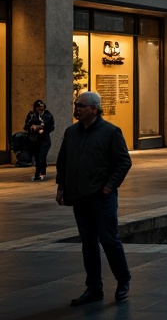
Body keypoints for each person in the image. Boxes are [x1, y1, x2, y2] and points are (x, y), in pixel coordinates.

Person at [55, 91, 132, 305]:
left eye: (81, 106)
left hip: (102, 197)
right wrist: (61, 187)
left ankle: (123, 279)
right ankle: (94, 287)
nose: (76, 109)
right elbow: (63, 162)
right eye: (76, 105)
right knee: (88, 243)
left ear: (94, 109)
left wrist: (109, 186)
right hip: (80, 196)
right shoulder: (71, 133)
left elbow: (124, 162)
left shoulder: (110, 132)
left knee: (109, 239)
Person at [23, 98, 56, 181]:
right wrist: (32, 126)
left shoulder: (47, 115)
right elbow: (26, 126)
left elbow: (50, 126)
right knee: (38, 157)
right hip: (34, 140)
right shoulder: (32, 115)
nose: (40, 108)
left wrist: (39, 127)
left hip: (44, 139)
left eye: (41, 106)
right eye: (37, 107)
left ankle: (37, 174)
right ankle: (42, 170)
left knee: (41, 157)